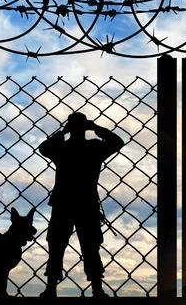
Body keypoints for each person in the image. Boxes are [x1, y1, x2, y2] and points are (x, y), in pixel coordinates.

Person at [38, 112, 125, 298]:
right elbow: (117, 142)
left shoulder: (62, 148)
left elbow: (44, 148)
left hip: (65, 202)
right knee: (88, 246)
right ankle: (96, 289)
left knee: (59, 245)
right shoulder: (93, 148)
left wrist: (62, 133)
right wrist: (96, 128)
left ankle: (51, 288)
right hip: (85, 203)